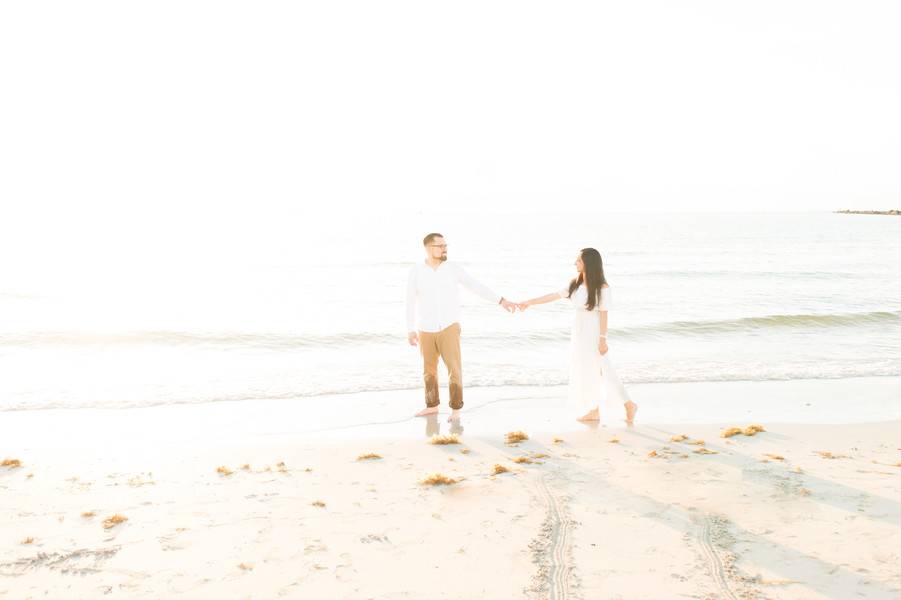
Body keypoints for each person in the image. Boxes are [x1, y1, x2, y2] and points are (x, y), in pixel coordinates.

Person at [518, 248, 638, 424]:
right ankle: (594, 410)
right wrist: (529, 302)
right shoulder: (576, 283)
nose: (575, 263)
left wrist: (602, 339)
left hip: (595, 333)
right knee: (587, 370)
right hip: (579, 332)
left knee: (604, 370)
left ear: (588, 263)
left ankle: (628, 404)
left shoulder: (602, 288)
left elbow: (604, 314)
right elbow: (554, 295)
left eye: (579, 261)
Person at [406, 233, 516, 421]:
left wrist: (501, 300)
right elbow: (410, 301)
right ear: (428, 248)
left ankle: (456, 409)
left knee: (454, 370)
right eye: (439, 245)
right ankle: (432, 406)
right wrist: (410, 328)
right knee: (428, 370)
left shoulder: (453, 269)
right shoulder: (416, 270)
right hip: (425, 328)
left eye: (445, 245)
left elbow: (475, 286)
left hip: (449, 326)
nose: (444, 248)